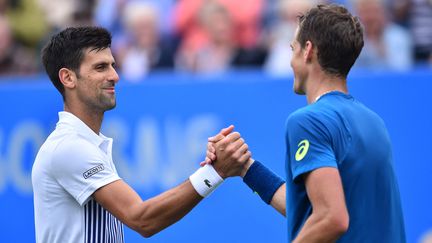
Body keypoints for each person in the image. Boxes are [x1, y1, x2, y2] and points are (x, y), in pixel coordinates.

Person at [205, 4, 406, 242]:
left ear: (308, 50)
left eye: (293, 49)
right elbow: (312, 211)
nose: (290, 61)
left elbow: (331, 217)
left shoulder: (308, 120)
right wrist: (246, 169)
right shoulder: (374, 122)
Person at [31, 26, 250, 243]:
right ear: (68, 78)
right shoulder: (70, 147)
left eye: (112, 66)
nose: (115, 76)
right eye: (100, 67)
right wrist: (214, 172)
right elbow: (142, 219)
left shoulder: (84, 144)